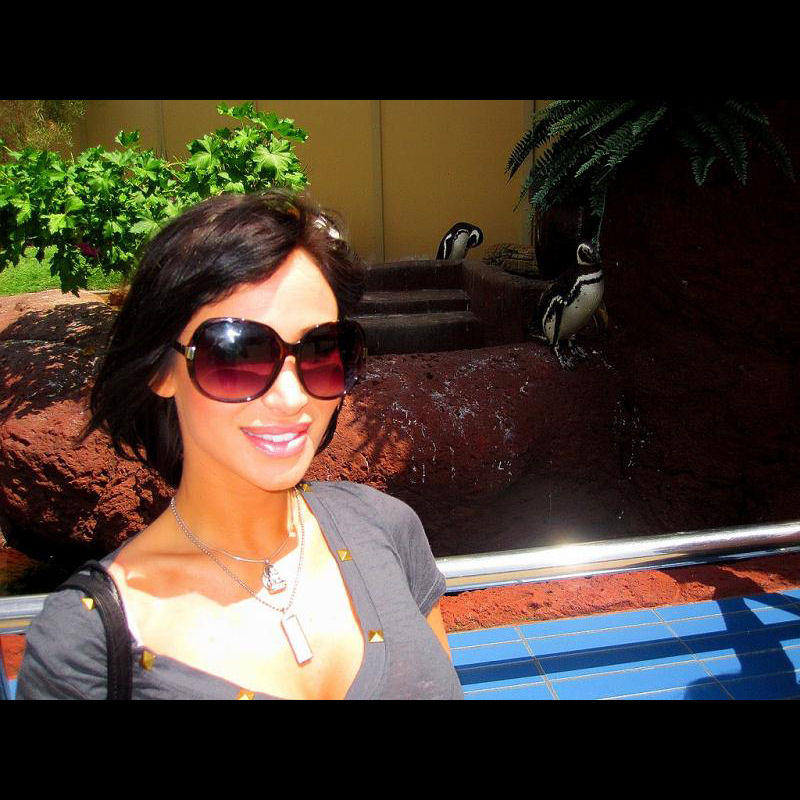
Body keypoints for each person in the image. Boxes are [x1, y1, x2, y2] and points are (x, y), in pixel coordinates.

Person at [17, 191, 464, 700]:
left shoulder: (387, 528)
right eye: (237, 354)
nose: (292, 399)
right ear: (161, 370)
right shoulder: (85, 647)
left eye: (321, 350)